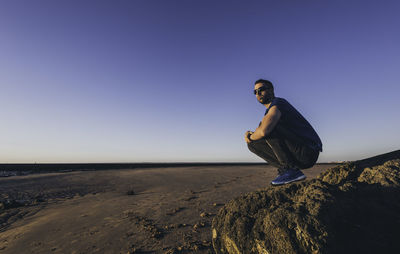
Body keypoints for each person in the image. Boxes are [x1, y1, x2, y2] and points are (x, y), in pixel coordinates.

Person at [245, 79, 322, 185]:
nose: (258, 93)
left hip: (308, 151)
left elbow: (263, 131)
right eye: (255, 92)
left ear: (271, 90)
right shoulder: (270, 111)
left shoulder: (279, 103)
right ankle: (286, 170)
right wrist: (251, 138)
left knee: (268, 128)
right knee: (253, 145)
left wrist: (249, 137)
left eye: (261, 89)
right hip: (298, 156)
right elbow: (261, 131)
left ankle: (290, 170)